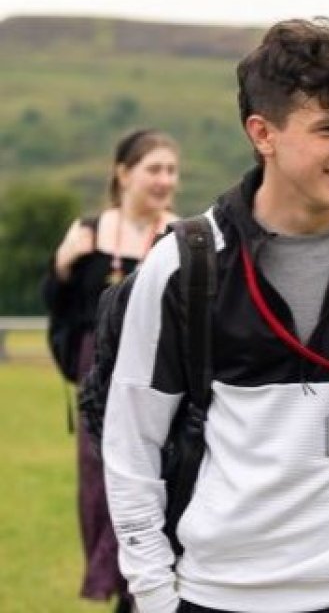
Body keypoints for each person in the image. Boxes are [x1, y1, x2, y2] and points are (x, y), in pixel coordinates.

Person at [102, 18, 329, 613]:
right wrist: (154, 595)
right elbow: (130, 443)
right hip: (215, 596)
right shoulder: (183, 265)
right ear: (263, 133)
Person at [43, 128, 181, 612]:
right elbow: (61, 308)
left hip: (162, 381)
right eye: (154, 169)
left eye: (171, 170)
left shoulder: (183, 238)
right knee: (103, 485)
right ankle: (122, 590)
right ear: (123, 174)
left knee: (162, 479)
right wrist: (63, 264)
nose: (165, 180)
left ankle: (151, 588)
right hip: (98, 386)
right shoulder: (87, 232)